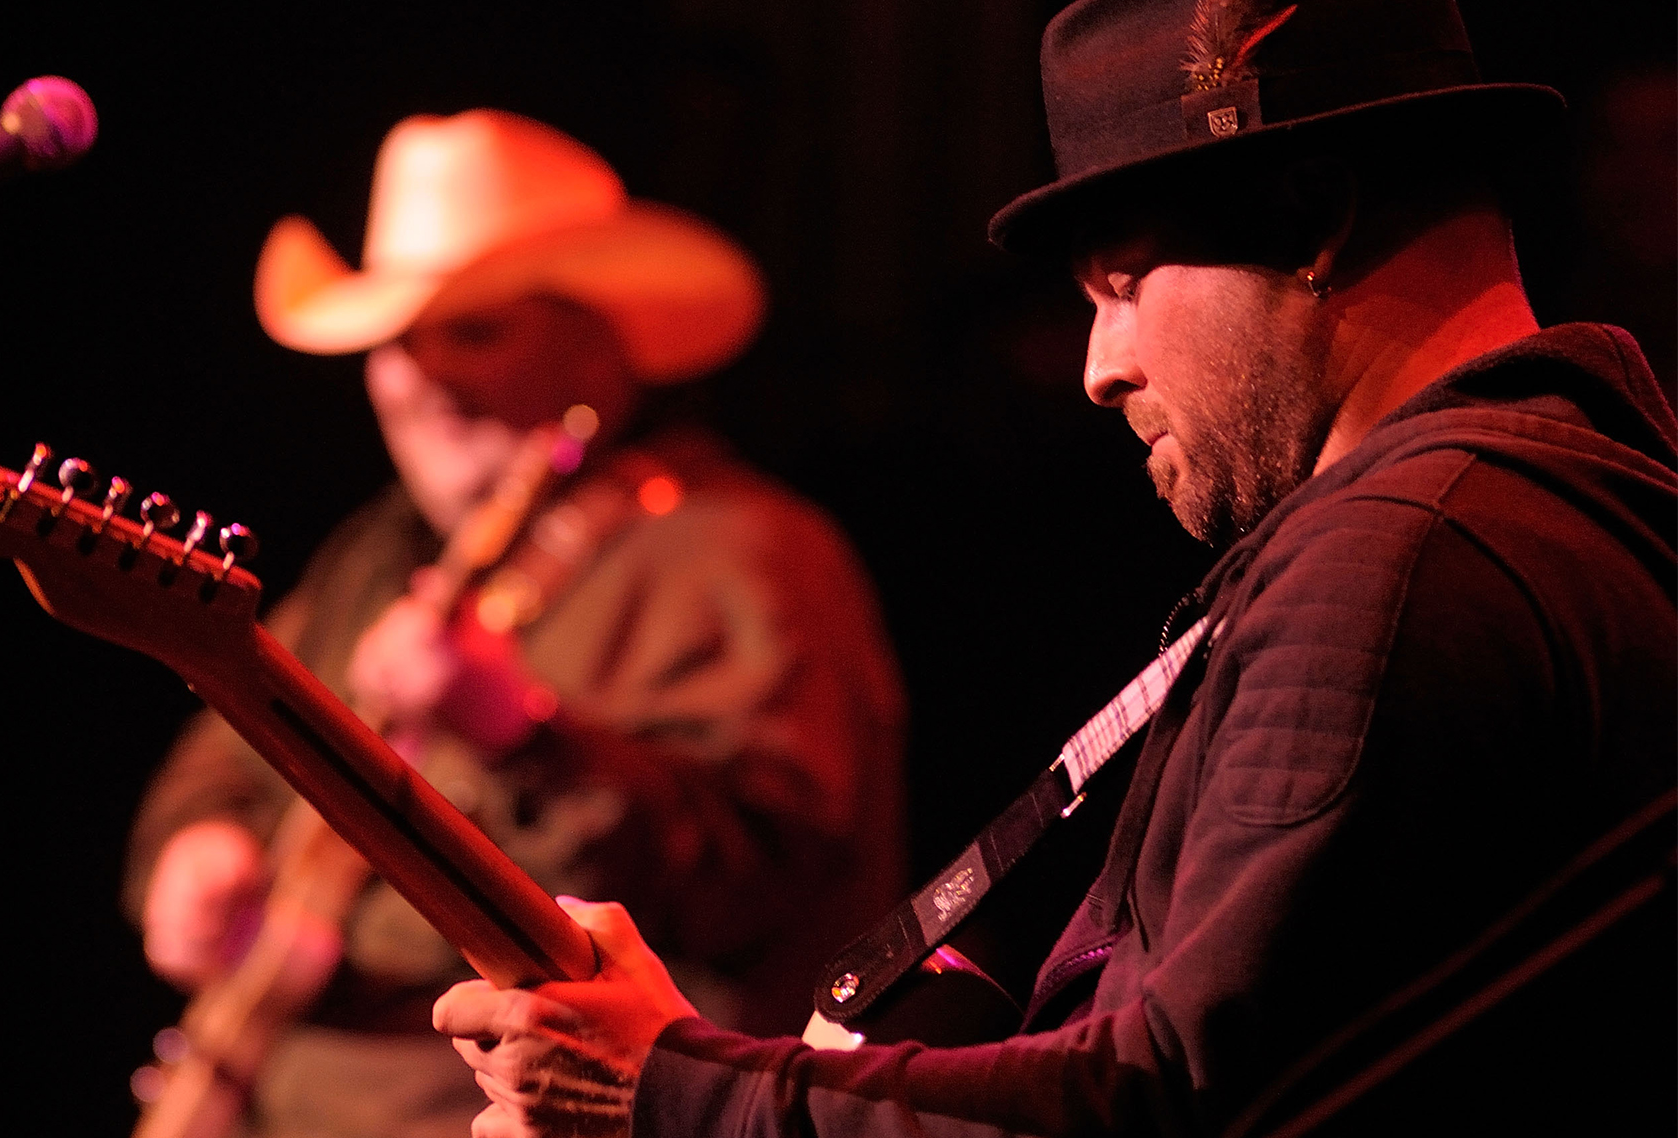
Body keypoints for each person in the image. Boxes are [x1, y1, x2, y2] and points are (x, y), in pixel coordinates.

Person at [430, 2, 1678, 1134]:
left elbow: (1162, 1107)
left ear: (1308, 216)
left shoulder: (1394, 561)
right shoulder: (1574, 509)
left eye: (1122, 286)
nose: (1097, 368)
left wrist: (669, 1090)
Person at [124, 110, 907, 1136]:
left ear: (596, 350)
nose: (416, 377)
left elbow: (768, 878)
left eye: (473, 331)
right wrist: (197, 844)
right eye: (390, 342)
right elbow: (228, 743)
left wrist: (520, 735)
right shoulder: (373, 554)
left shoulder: (741, 550)